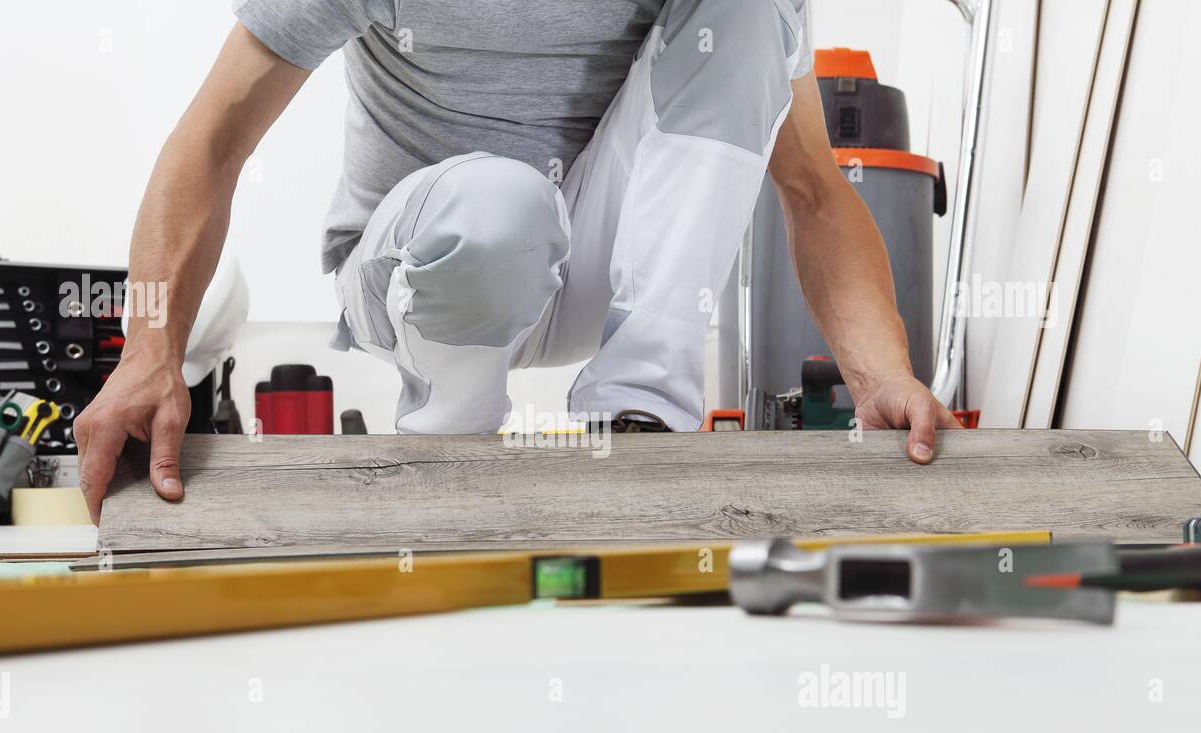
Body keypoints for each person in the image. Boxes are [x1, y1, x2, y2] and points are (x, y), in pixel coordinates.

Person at [74, 0, 961, 523]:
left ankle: (639, 413)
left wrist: (881, 372)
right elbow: (213, 141)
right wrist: (150, 355)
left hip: (584, 257)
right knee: (501, 205)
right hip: (424, 266)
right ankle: (451, 438)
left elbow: (810, 185)